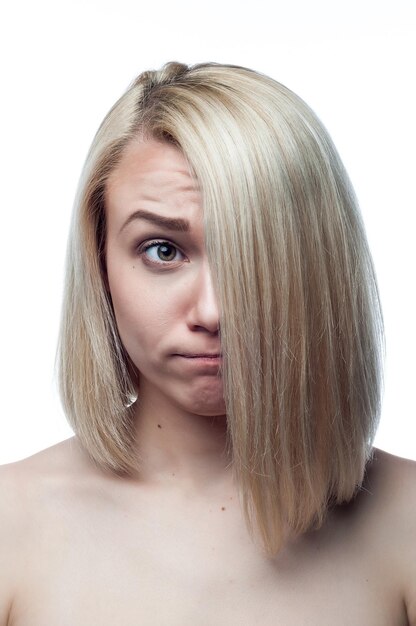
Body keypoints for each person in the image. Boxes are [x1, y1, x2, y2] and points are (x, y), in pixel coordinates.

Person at [0, 61, 415, 625]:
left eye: (256, 255)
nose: (215, 311)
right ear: (99, 263)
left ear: (321, 268)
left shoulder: (406, 521)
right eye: (163, 251)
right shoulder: (11, 526)